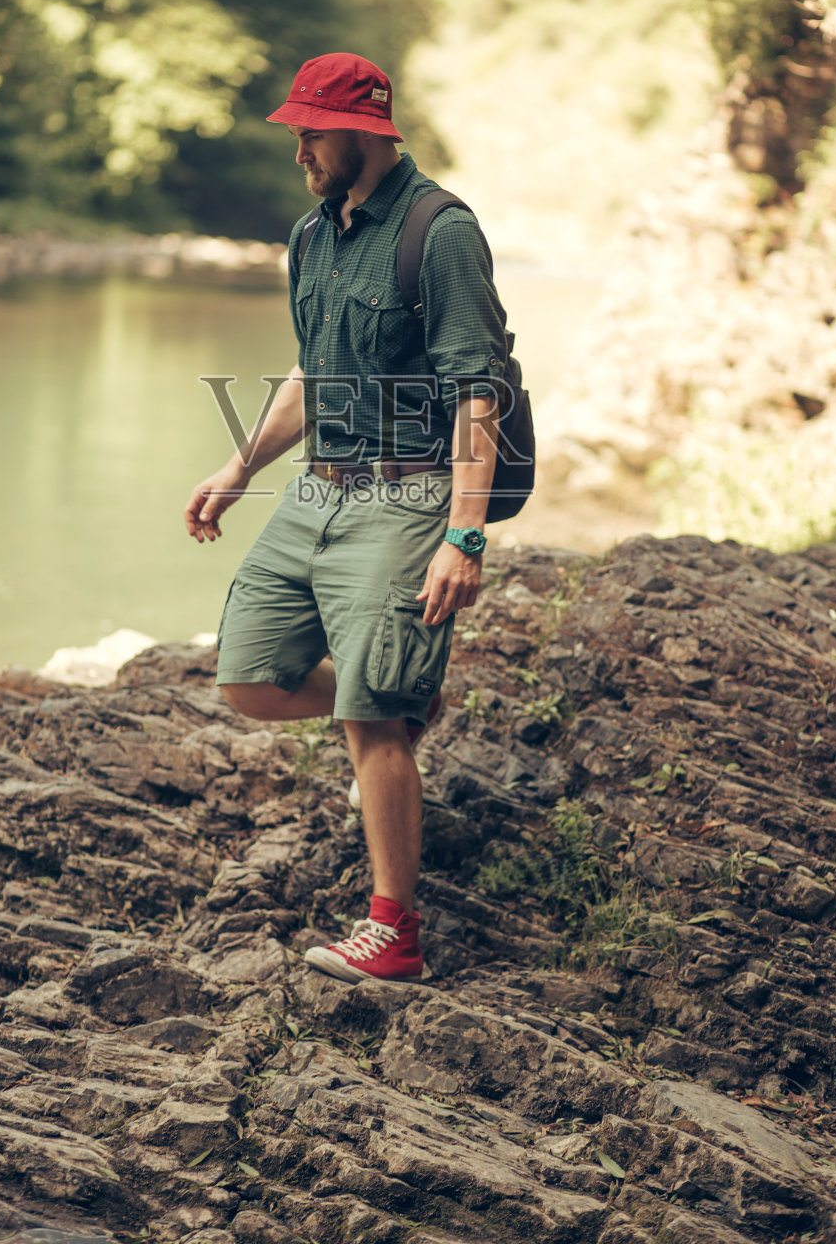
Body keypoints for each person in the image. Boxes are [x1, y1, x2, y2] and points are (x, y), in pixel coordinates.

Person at [184, 51, 508, 984]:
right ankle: (402, 696)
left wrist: (463, 534)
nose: (299, 150)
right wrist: (241, 463)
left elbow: (475, 390)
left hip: (409, 494)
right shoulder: (312, 236)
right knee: (248, 676)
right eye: (294, 131)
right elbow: (311, 371)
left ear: (365, 131)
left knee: (369, 717)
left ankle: (393, 931)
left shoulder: (438, 232)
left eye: (310, 132)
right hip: (318, 489)